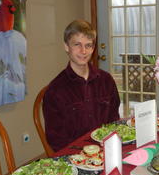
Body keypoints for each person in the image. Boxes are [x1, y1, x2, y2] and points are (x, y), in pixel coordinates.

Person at [43, 19, 120, 152]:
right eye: (77, 44)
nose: (83, 51)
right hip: (75, 157)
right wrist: (86, 152)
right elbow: (56, 140)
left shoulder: (106, 81)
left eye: (88, 45)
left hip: (107, 151)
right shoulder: (55, 91)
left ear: (93, 48)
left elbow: (114, 120)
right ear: (67, 46)